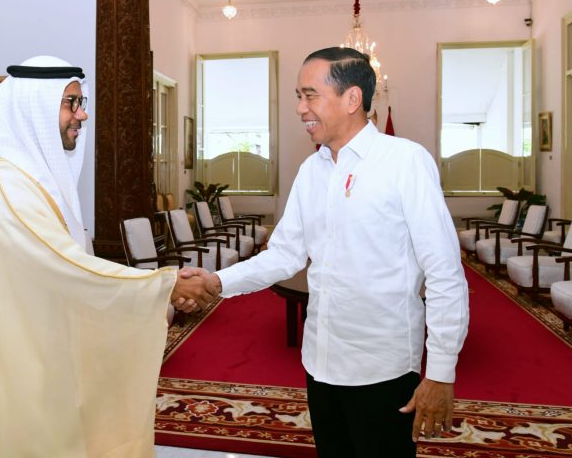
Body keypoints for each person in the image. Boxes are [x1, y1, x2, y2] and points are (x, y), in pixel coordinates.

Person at [187, 47, 469, 457]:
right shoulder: (311, 170)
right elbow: (284, 254)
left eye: (309, 95)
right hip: (319, 363)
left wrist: (442, 372)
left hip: (382, 369)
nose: (300, 109)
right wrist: (216, 280)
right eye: (299, 97)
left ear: (352, 99)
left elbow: (445, 273)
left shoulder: (404, 162)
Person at [0, 55, 216, 457]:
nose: (83, 114)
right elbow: (63, 264)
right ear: (35, 108)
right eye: (71, 103)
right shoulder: (3, 185)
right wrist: (160, 285)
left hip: (43, 342)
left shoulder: (21, 174)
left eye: (81, 101)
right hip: (21, 359)